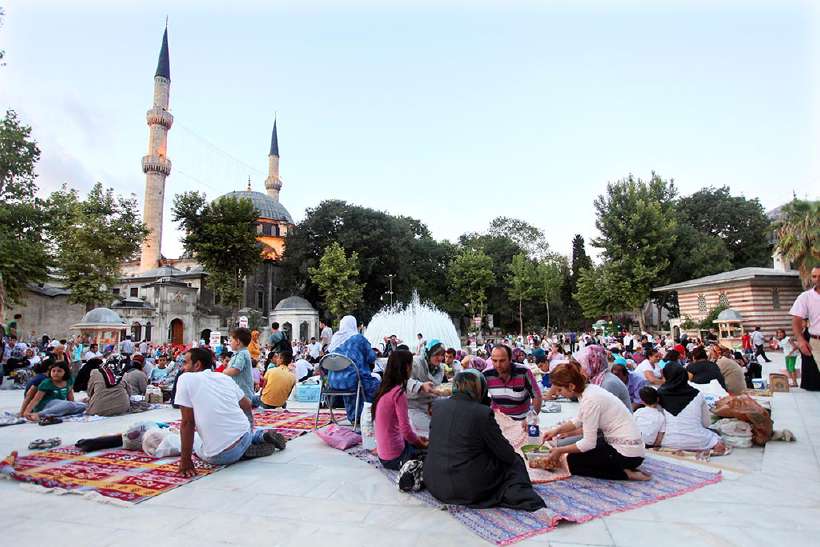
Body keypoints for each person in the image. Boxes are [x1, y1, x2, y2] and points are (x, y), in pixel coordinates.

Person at [423, 369, 545, 511]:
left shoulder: (438, 406)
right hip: (466, 488)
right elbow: (506, 454)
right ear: (480, 389)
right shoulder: (481, 413)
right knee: (515, 461)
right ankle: (520, 494)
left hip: (435, 482)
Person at [175, 348, 287, 476]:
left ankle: (243, 452)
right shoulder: (224, 377)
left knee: (196, 442)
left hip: (223, 455)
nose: (183, 367)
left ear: (197, 365)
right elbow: (247, 404)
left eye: (185, 363)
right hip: (244, 434)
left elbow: (187, 423)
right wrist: (250, 428)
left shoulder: (185, 378)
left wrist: (185, 461)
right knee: (234, 430)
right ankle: (258, 437)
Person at [540, 363, 649, 481]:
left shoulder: (590, 400)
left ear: (571, 386)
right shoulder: (589, 390)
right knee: (574, 453)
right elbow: (578, 420)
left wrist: (560, 450)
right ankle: (618, 466)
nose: (558, 393)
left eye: (560, 390)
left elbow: (588, 443)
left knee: (571, 462)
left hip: (628, 455)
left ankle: (625, 474)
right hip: (627, 448)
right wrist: (556, 431)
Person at [651, 362, 726, 453]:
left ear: (666, 376)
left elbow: (656, 422)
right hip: (698, 441)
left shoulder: (658, 395)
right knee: (715, 435)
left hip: (667, 441)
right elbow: (706, 423)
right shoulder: (697, 394)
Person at [372, 350, 428, 470]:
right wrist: (420, 443)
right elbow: (406, 430)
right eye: (411, 366)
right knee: (433, 453)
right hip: (395, 458)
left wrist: (416, 439)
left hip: (384, 456)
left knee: (418, 441)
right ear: (407, 367)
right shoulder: (398, 393)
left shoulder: (384, 389)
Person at [326, 315, 380, 424]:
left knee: (351, 379)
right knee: (376, 385)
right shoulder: (358, 338)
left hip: (333, 382)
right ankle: (367, 416)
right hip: (352, 380)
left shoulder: (335, 339)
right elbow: (371, 357)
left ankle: (354, 417)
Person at [483, 345, 542, 420]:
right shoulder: (486, 375)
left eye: (502, 361)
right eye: (494, 361)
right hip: (498, 420)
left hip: (521, 420)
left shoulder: (523, 372)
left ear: (510, 359)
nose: (498, 365)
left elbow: (537, 396)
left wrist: (530, 419)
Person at [22, 360, 87, 421]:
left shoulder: (69, 381)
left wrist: (74, 405)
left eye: (59, 371)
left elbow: (70, 399)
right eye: (53, 371)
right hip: (44, 406)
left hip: (60, 404)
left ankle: (58, 412)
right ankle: (39, 414)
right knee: (69, 405)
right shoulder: (46, 383)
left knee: (84, 406)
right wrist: (26, 412)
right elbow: (36, 400)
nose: (55, 373)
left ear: (65, 372)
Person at [572, 345, 631, 411]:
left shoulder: (608, 383)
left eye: (584, 365)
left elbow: (603, 411)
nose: (581, 370)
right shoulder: (598, 379)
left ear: (593, 364)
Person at [405, 339, 446, 434]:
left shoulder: (440, 368)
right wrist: (420, 386)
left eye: (442, 355)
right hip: (412, 407)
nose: (440, 358)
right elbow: (403, 381)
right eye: (436, 354)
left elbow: (435, 388)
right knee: (431, 430)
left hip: (430, 405)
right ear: (428, 353)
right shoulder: (415, 363)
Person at [790, 266, 820, 391]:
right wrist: (801, 340)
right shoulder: (805, 297)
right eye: (814, 276)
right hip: (816, 341)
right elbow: (796, 320)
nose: (817, 279)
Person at [223, 327, 258, 406]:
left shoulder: (242, 354)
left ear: (238, 342)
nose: (230, 343)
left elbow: (236, 370)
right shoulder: (240, 353)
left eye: (231, 340)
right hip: (239, 393)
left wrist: (224, 372)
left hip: (242, 394)